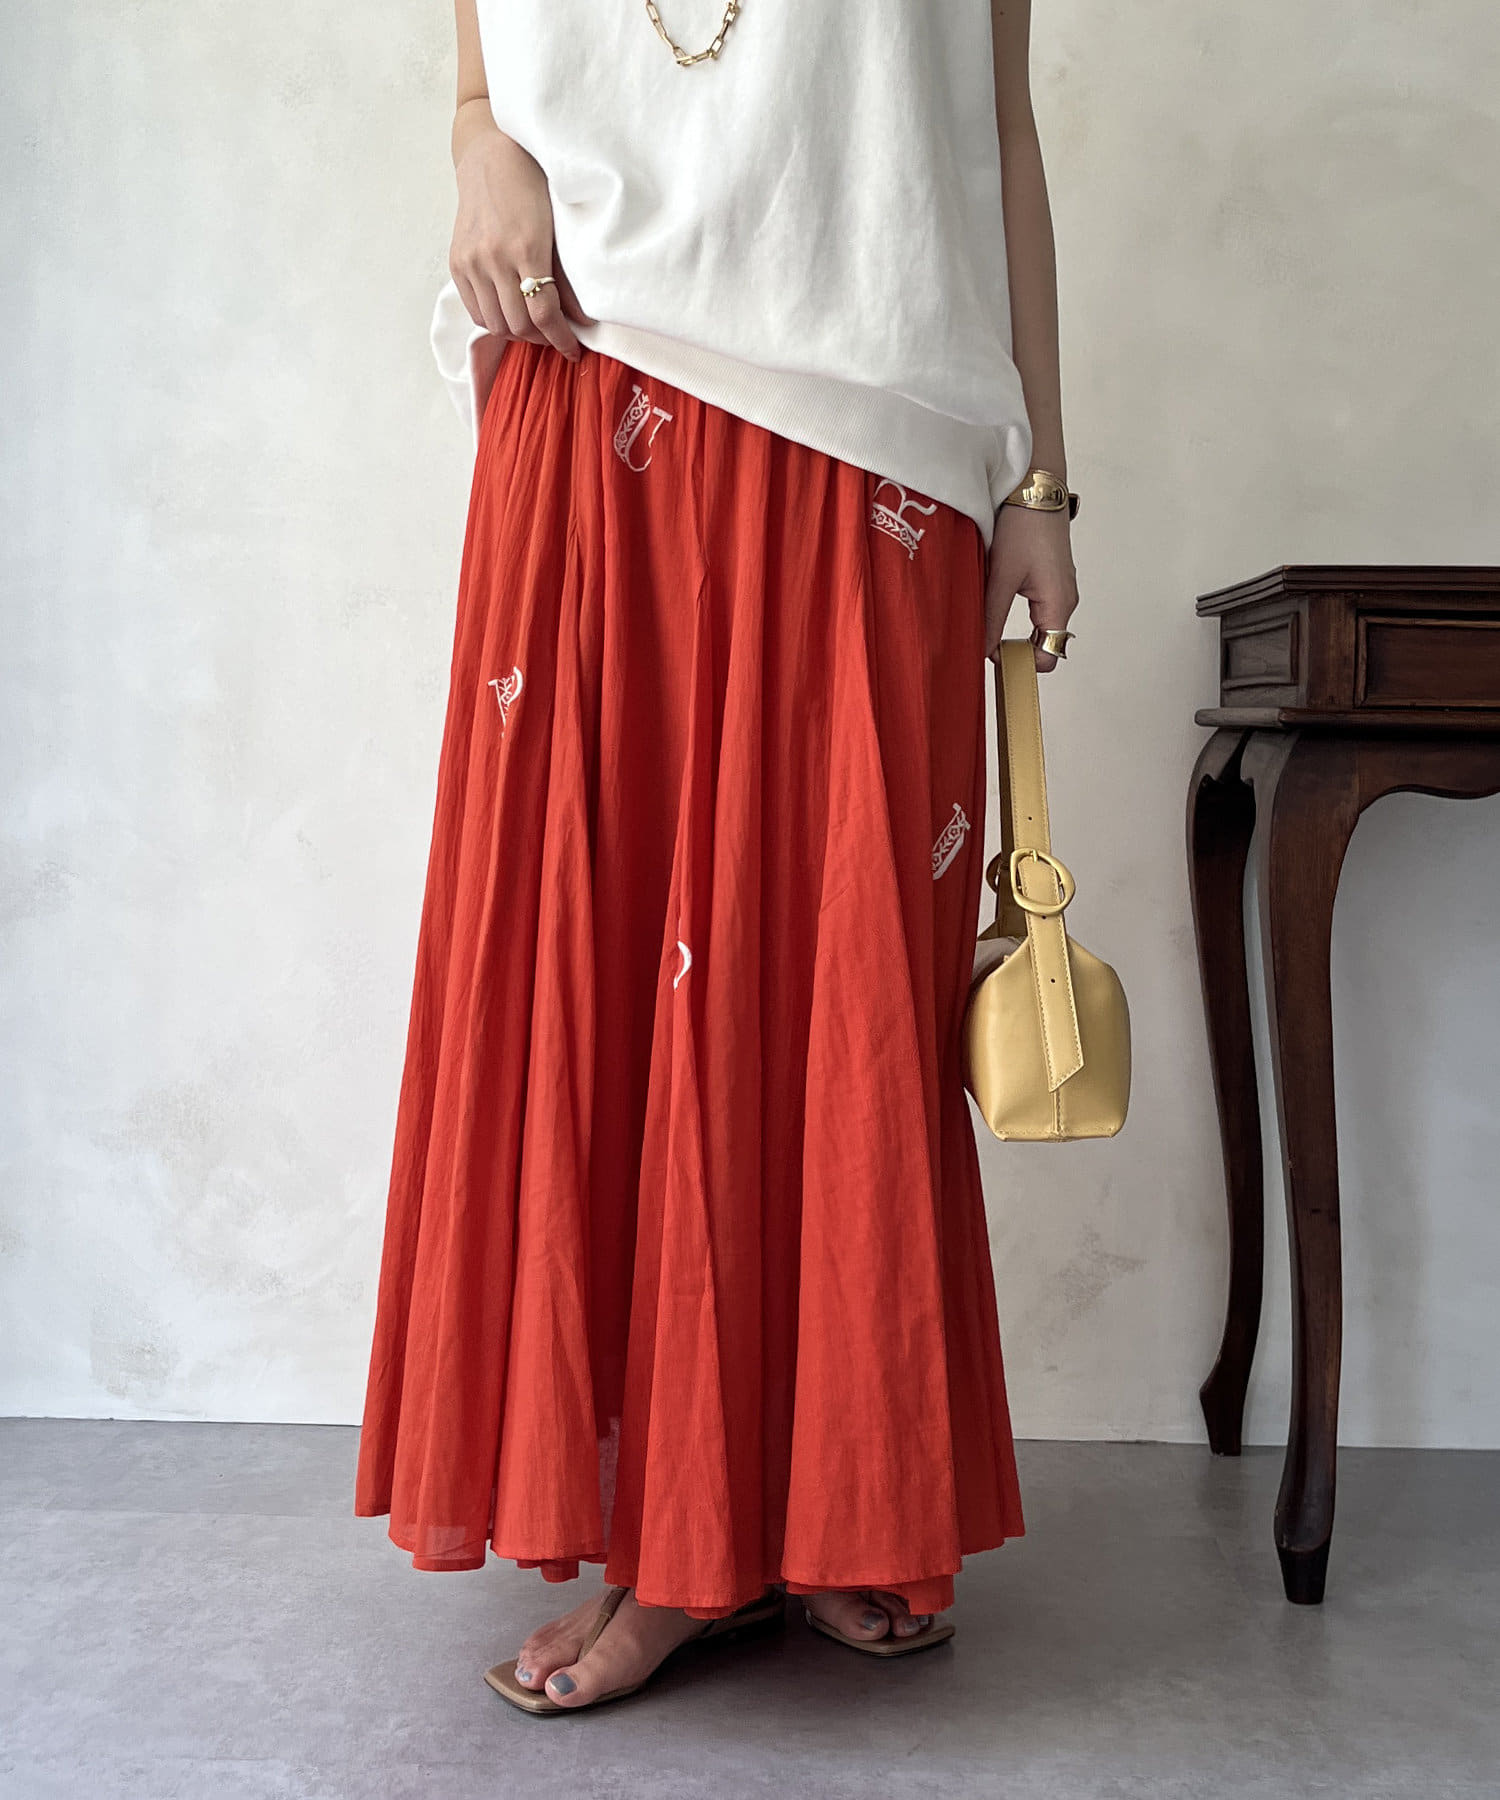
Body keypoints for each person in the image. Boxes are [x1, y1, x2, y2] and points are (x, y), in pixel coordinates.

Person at [355, 0, 1080, 1715]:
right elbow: (484, 66)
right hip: (598, 392)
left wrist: (1041, 480)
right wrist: (476, 142)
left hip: (875, 446)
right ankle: (671, 1543)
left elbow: (999, 128)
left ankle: (824, 1509)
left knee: (836, 1001)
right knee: (614, 973)